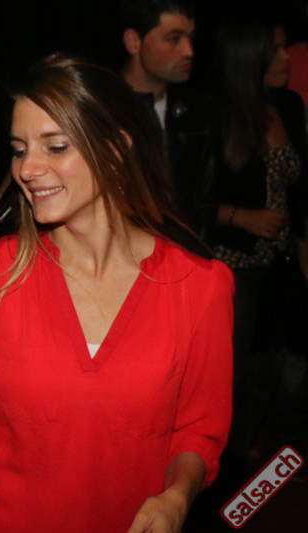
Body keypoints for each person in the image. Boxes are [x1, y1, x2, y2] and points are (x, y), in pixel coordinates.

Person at [0, 54, 233, 532]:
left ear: (116, 150)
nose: (28, 169)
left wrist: (177, 496)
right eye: (19, 150)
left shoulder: (199, 286)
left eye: (55, 147)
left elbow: (198, 431)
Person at [204, 13, 308, 474]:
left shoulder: (288, 104)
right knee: (229, 374)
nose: (287, 57)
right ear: (250, 56)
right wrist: (241, 217)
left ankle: (243, 462)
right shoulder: (214, 111)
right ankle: (216, 475)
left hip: (279, 261)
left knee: (271, 368)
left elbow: (299, 190)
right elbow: (184, 198)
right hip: (230, 264)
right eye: (277, 49)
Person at [120, 0, 211, 233]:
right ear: (133, 42)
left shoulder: (194, 111)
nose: (188, 50)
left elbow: (204, 202)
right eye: (174, 39)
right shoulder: (103, 111)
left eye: (190, 38)